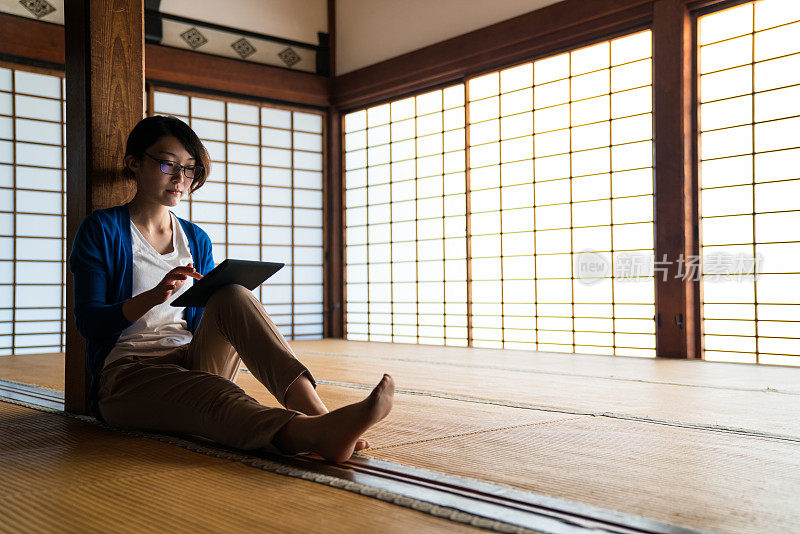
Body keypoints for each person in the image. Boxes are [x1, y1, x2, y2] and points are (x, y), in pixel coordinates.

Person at [68, 115, 394, 463]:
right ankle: (314, 434)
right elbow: (89, 324)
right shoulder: (102, 230)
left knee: (233, 293)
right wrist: (154, 296)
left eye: (190, 169)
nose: (180, 179)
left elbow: (213, 315)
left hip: (191, 360)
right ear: (134, 163)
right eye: (168, 164)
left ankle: (319, 415)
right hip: (127, 377)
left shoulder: (195, 238)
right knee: (214, 394)